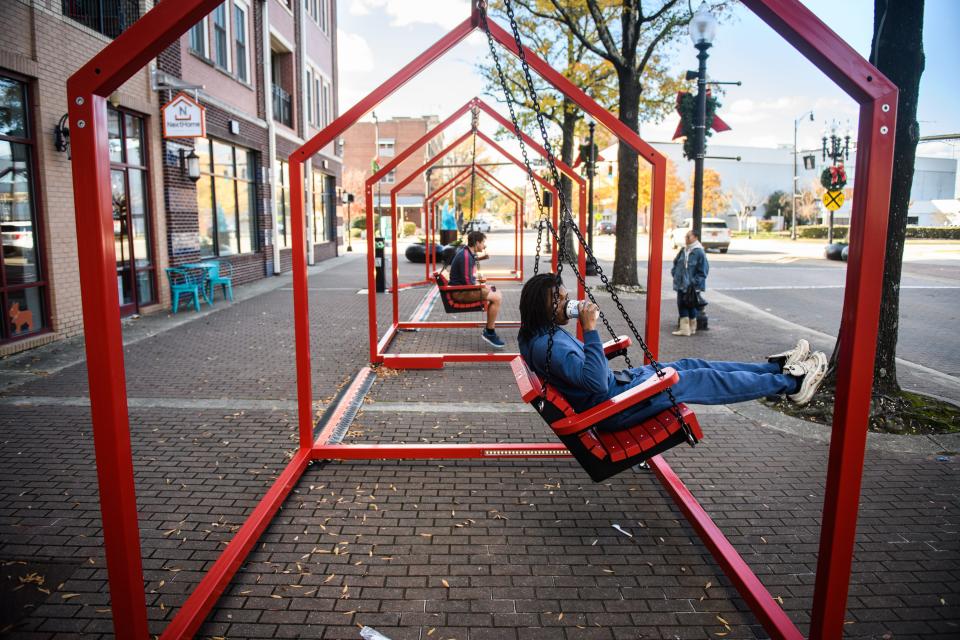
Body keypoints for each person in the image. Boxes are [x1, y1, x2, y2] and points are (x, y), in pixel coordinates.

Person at [517, 273, 827, 432]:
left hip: (623, 389)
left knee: (693, 364)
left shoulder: (539, 336)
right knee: (703, 378)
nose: (566, 304)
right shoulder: (549, 346)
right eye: (558, 300)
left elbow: (585, 372)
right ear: (540, 306)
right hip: (617, 406)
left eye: (565, 297)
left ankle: (777, 370)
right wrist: (592, 329)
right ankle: (792, 384)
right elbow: (596, 383)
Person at [448, 230, 505, 348]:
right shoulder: (465, 256)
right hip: (460, 293)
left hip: (464, 289)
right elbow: (468, 282)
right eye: (483, 243)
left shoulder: (467, 253)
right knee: (497, 297)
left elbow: (472, 264)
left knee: (496, 293)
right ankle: (489, 332)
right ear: (477, 243)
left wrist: (483, 285)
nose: (484, 245)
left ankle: (489, 330)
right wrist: (482, 286)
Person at [671, 228, 709, 337]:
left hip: (691, 285)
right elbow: (676, 262)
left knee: (685, 304)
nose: (686, 239)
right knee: (687, 304)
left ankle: (686, 329)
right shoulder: (684, 250)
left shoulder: (699, 252)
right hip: (681, 283)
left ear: (695, 238)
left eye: (688, 237)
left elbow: (703, 271)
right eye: (685, 237)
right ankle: (691, 328)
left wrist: (693, 282)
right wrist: (675, 273)